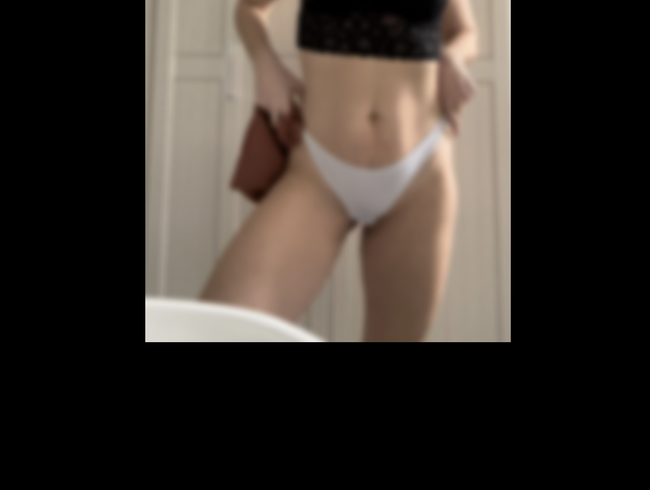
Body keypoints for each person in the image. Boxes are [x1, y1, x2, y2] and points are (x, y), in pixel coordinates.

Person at [202, 0, 479, 342]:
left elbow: (466, 31)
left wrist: (452, 56)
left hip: (421, 176)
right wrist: (265, 65)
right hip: (319, 175)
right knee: (218, 331)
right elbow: (250, 9)